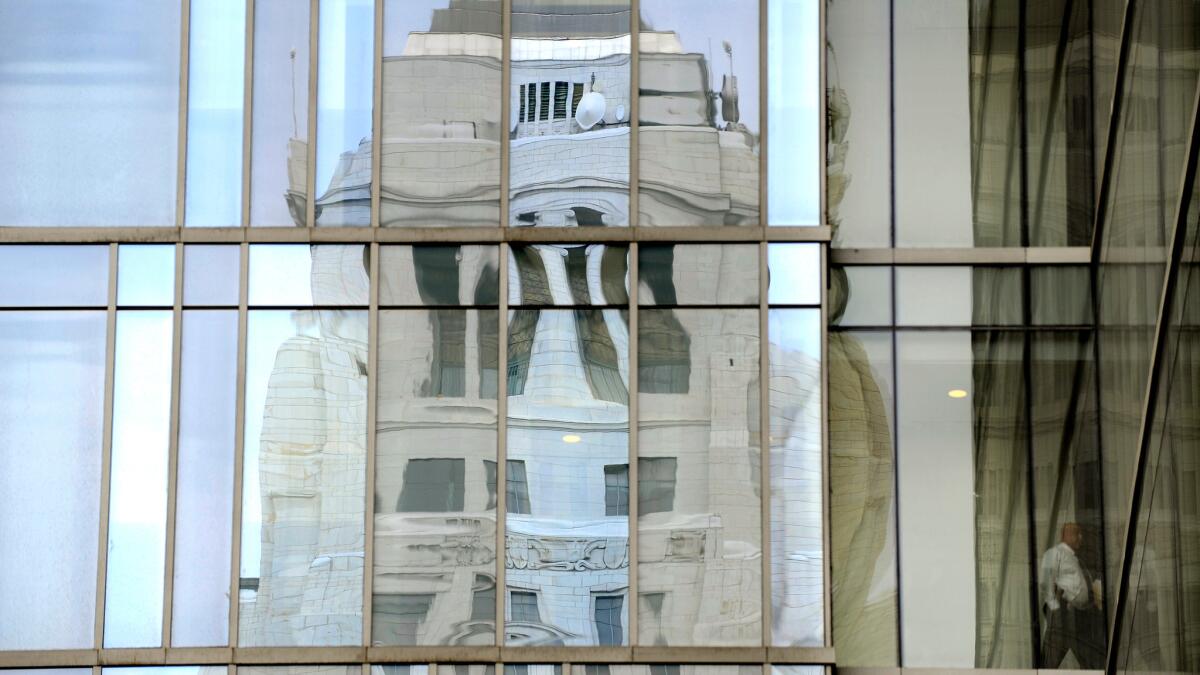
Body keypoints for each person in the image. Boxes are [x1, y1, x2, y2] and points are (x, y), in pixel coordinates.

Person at [1039, 522, 1105, 668]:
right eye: (1076, 533)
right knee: (1052, 658)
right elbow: (1045, 583)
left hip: (1078, 615)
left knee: (1088, 658)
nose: (1080, 537)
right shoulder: (1054, 553)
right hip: (1064, 614)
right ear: (1065, 535)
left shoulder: (1074, 557)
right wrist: (1056, 610)